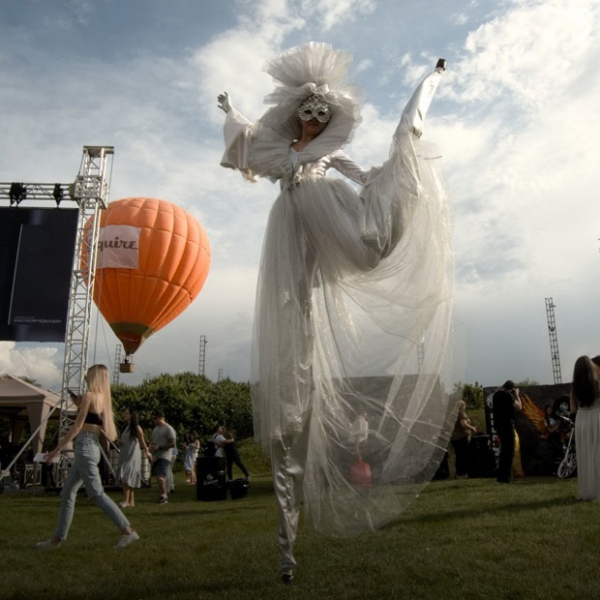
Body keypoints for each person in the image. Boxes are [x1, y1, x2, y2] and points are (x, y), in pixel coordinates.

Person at [218, 42, 453, 582]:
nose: (315, 120)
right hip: (290, 232)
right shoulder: (281, 151)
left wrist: (392, 169)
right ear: (296, 114)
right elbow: (250, 140)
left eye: (322, 114)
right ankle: (287, 542)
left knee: (361, 238)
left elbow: (363, 178)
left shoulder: (328, 154)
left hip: (331, 224)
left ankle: (302, 374)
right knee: (293, 312)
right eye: (308, 113)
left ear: (329, 118)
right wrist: (230, 111)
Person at [36, 364, 139, 549]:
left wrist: (56, 450)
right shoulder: (103, 400)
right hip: (91, 448)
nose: (86, 379)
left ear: (94, 377)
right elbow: (91, 421)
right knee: (67, 493)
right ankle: (56, 540)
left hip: (85, 448)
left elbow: (77, 426)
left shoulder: (90, 396)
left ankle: (128, 531)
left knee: (97, 494)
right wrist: (78, 402)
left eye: (88, 376)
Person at [569, 355, 600, 500]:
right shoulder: (598, 384)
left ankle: (587, 490)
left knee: (585, 454)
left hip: (582, 420)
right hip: (597, 417)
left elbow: (573, 409)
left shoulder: (574, 388)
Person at [117, 408, 151, 507]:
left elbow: (142, 441)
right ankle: (131, 501)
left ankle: (126, 501)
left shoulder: (136, 428)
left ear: (131, 415)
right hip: (125, 454)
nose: (124, 415)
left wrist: (147, 452)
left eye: (126, 413)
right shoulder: (126, 427)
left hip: (132, 455)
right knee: (128, 477)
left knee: (126, 476)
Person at [492, 380, 523, 484]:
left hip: (498, 426)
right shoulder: (509, 396)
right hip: (507, 425)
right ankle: (505, 477)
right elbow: (519, 407)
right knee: (509, 451)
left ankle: (500, 477)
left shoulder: (496, 395)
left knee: (503, 451)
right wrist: (517, 395)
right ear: (511, 389)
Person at [150, 410, 176, 504]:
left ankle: (164, 496)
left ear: (161, 418)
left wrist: (159, 447)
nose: (153, 420)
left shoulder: (168, 428)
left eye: (155, 418)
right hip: (156, 455)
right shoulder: (155, 429)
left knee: (160, 475)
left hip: (165, 455)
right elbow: (153, 442)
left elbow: (172, 443)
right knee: (160, 476)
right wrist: (151, 448)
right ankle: (163, 494)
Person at [450, 400, 477, 478]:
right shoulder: (461, 413)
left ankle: (459, 473)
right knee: (465, 455)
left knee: (458, 455)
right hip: (461, 436)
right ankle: (463, 472)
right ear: (462, 406)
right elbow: (463, 424)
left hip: (453, 437)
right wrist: (472, 428)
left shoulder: (452, 414)